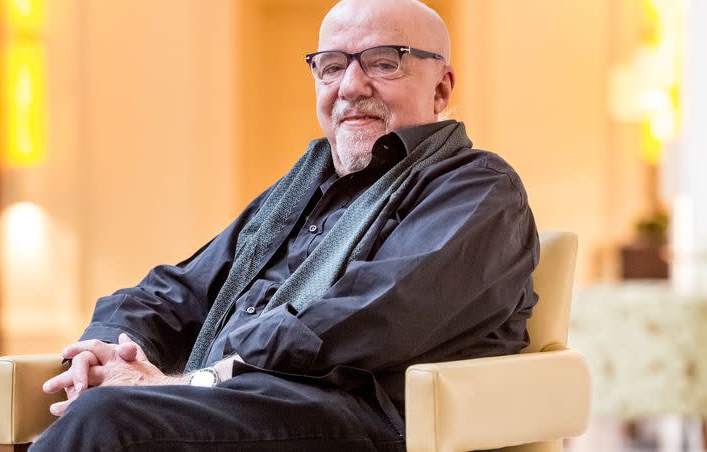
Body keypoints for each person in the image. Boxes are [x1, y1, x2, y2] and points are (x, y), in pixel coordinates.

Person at [31, 0, 539, 450]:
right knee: (93, 399)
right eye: (331, 66)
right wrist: (106, 348)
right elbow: (179, 289)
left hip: (359, 416)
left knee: (109, 417)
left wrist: (193, 380)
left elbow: (370, 318)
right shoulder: (299, 191)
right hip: (242, 401)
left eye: (385, 62)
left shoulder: (479, 189)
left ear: (442, 86)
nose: (351, 86)